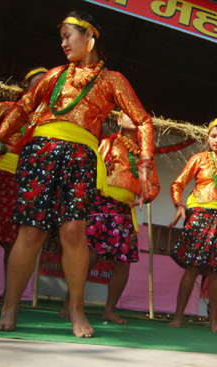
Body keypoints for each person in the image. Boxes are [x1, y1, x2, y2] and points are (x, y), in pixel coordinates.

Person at [0, 11, 155, 338]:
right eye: (61, 36)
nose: (63, 42)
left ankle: (76, 310)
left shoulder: (112, 79)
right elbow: (23, 106)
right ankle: (10, 307)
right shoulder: (54, 75)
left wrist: (146, 162)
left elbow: (143, 120)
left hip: (80, 157)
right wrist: (0, 138)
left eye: (69, 35)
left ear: (88, 36)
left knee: (75, 231)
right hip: (42, 152)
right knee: (30, 232)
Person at [58, 111, 160, 323]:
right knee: (89, 256)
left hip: (125, 211)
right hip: (101, 205)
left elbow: (155, 185)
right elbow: (93, 169)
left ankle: (109, 310)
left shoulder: (146, 155)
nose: (134, 118)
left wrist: (147, 197)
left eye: (138, 117)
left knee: (123, 262)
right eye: (128, 115)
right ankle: (70, 302)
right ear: (118, 120)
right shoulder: (108, 143)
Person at [168, 118, 217, 333]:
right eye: (213, 136)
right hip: (198, 215)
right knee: (192, 268)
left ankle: (214, 321)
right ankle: (178, 316)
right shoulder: (199, 159)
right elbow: (177, 184)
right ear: (207, 138)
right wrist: (179, 205)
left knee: (216, 272)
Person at [0, 67, 48, 286]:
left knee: (16, 242)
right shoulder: (6, 108)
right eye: (38, 82)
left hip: (24, 185)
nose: (42, 87)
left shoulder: (46, 123)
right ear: (24, 85)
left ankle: (9, 298)